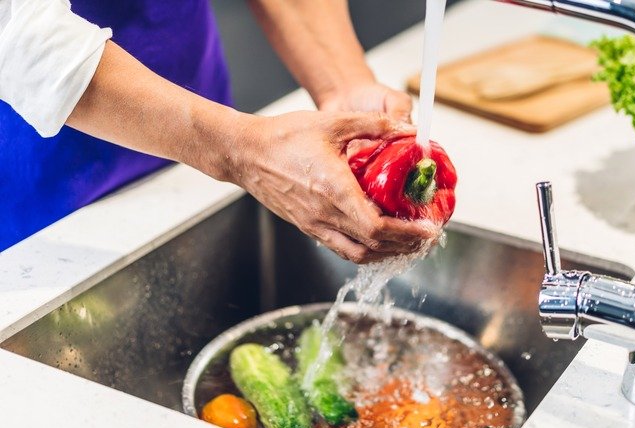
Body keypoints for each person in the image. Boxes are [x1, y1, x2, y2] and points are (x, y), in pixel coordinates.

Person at [0, 0, 434, 262]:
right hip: (39, 185)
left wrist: (343, 87)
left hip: (199, 147)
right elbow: (20, 33)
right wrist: (240, 151)